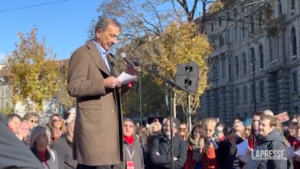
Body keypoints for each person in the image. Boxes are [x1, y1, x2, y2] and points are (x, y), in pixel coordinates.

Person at [67, 17, 138, 169]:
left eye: (117, 37)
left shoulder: (110, 58)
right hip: (93, 130)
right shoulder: (82, 54)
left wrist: (128, 78)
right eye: (112, 36)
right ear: (99, 32)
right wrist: (102, 84)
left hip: (110, 127)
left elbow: (113, 91)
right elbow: (73, 87)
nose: (115, 41)